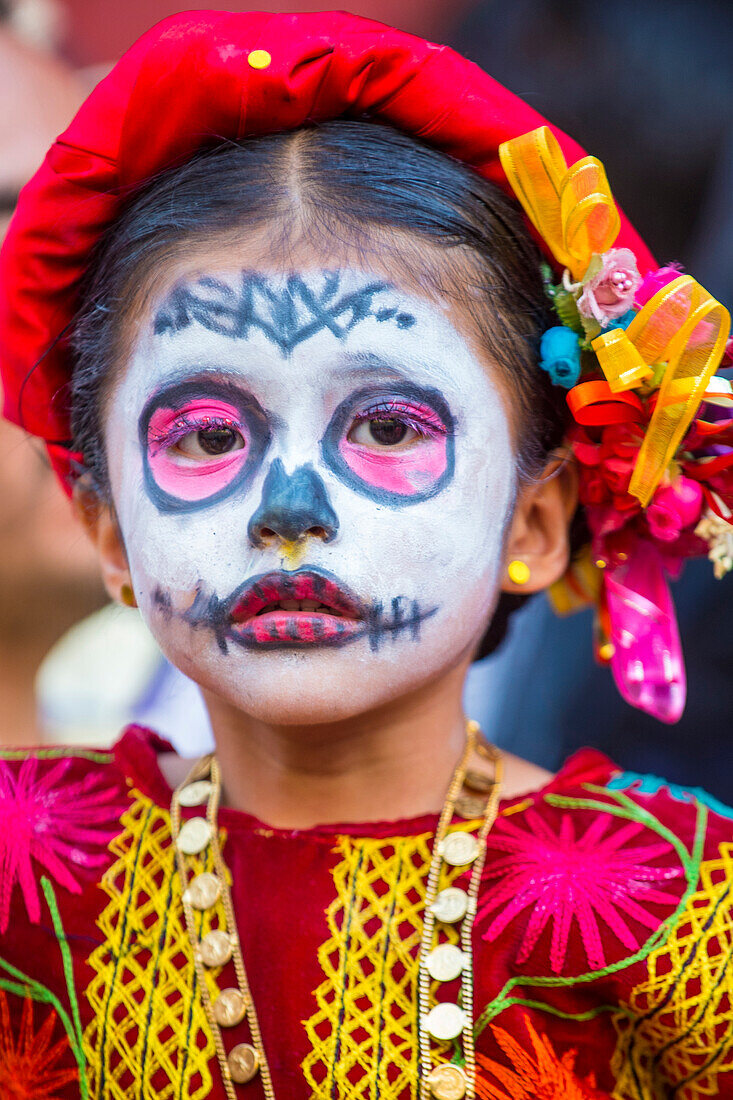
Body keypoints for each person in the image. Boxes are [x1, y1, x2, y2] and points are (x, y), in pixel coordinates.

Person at [0, 11, 732, 1099]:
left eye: (388, 427)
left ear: (534, 521)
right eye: (206, 436)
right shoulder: (27, 878)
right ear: (109, 529)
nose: (289, 508)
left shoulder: (682, 905)